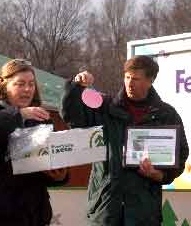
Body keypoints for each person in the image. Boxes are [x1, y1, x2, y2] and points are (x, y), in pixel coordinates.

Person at [60, 55, 189, 226]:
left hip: (143, 214)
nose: (129, 83)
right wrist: (76, 87)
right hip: (105, 211)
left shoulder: (166, 114)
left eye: (136, 79)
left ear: (151, 80)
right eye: (127, 77)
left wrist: (158, 175)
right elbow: (73, 117)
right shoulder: (105, 106)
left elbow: (180, 155)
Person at [0, 59, 68, 226]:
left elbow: (45, 161)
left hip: (32, 213)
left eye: (31, 84)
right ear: (3, 84)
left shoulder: (39, 117)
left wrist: (58, 175)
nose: (27, 89)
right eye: (20, 84)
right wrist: (19, 115)